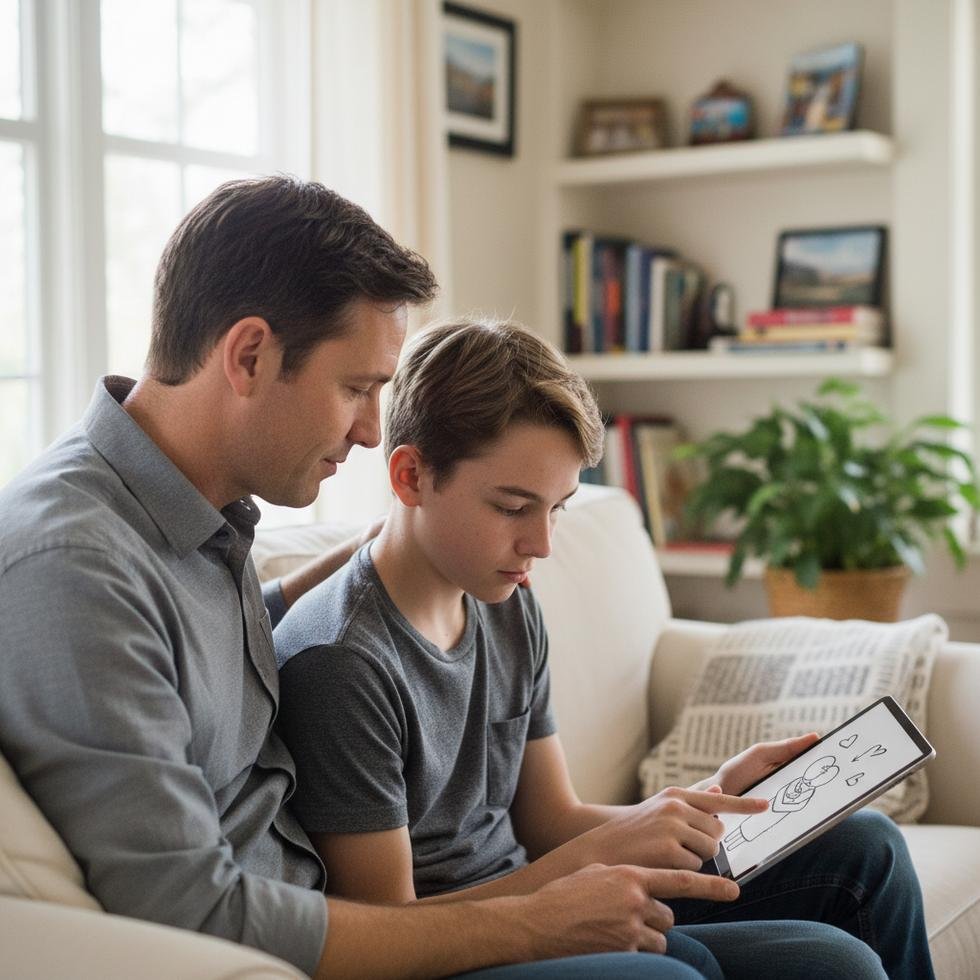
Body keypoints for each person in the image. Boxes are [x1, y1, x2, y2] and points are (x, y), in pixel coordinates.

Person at [0, 175, 747, 980]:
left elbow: (217, 646)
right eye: (356, 388)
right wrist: (533, 922)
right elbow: (194, 909)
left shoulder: (187, 521)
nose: (366, 430)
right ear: (249, 355)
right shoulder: (78, 566)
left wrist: (398, 554)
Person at [273, 318, 936, 980]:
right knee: (727, 971)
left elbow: (552, 819)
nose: (543, 544)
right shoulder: (342, 661)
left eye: (558, 508)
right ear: (411, 475)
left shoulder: (505, 601)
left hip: (541, 890)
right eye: (512, 507)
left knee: (865, 851)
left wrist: (700, 801)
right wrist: (579, 880)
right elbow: (385, 932)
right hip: (453, 948)